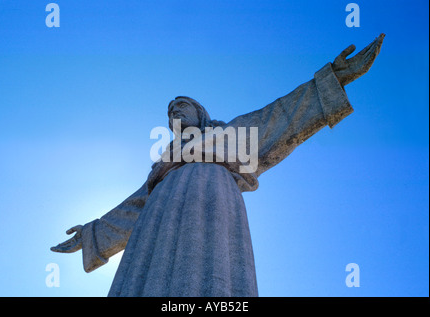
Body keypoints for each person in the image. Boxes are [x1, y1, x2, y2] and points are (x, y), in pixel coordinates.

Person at [51, 34, 385, 297]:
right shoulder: (165, 165)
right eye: (170, 112)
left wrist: (330, 82)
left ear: (201, 114)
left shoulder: (231, 135)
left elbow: (281, 116)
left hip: (214, 196)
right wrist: (93, 233)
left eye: (181, 106)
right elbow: (134, 207)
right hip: (158, 216)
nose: (174, 114)